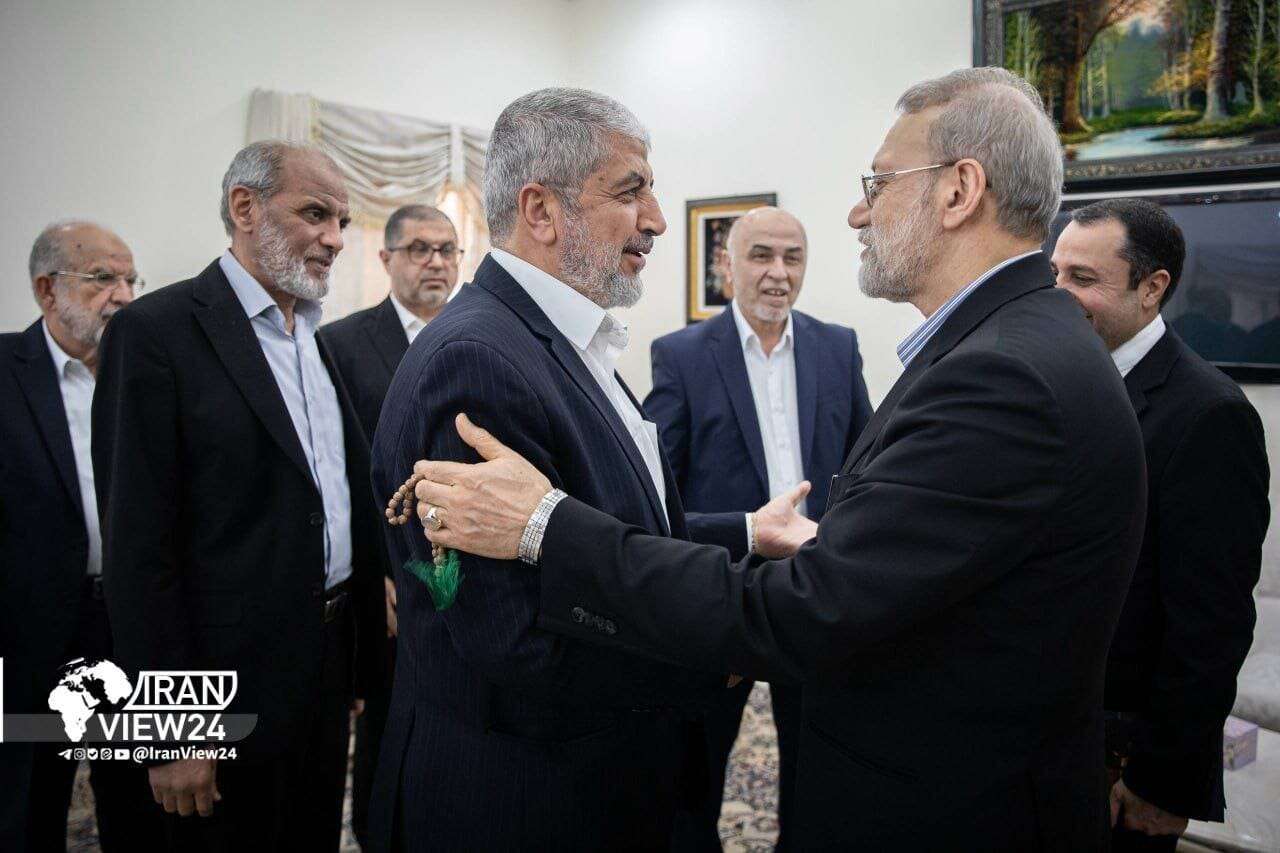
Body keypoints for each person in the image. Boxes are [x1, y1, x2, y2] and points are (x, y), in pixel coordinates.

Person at [406, 67, 1149, 850]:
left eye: (879, 183)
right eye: (632, 191)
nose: (859, 211)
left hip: (954, 810)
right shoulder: (1015, 347)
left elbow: (809, 608)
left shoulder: (1002, 374)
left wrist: (546, 526)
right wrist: (767, 538)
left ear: (959, 191)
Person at [366, 87, 800, 852]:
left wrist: (742, 531)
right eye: (631, 191)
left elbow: (598, 517)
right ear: (541, 210)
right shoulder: (475, 362)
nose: (656, 219)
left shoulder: (564, 336)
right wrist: (716, 660)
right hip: (522, 801)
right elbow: (516, 644)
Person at [91, 140, 385, 851]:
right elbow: (138, 549)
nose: (334, 239)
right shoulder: (155, 332)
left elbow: (331, 498)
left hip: (320, 666)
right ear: (245, 207)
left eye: (342, 222)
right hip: (218, 686)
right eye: (315, 214)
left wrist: (351, 659)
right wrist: (173, 731)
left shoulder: (314, 335)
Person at [645, 206, 872, 850]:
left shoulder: (838, 347)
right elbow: (659, 495)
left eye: (792, 258)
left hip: (816, 585)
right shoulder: (681, 356)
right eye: (761, 255)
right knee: (695, 767)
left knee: (816, 763)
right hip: (726, 587)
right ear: (727, 265)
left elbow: (867, 462)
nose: (778, 272)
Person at [1051, 198, 1269, 851]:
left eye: (1082, 278)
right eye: (1054, 273)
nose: (1057, 294)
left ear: (1151, 288)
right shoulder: (1058, 377)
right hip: (1045, 739)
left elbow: (1212, 624)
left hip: (1123, 759)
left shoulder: (1210, 415)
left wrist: (1165, 780)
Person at [0, 221, 163, 851]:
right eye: (102, 278)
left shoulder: (149, 374)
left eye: (129, 278)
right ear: (47, 290)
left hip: (131, 627)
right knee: (28, 804)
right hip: (30, 636)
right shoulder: (7, 372)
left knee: (142, 806)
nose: (123, 295)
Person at [317, 203, 462, 850]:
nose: (436, 262)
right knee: (387, 717)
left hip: (467, 565)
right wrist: (370, 574)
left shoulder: (478, 333)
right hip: (386, 577)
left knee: (459, 714)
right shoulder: (340, 344)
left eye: (448, 250)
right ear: (386, 259)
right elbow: (339, 473)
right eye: (420, 249)